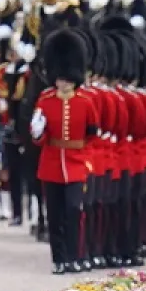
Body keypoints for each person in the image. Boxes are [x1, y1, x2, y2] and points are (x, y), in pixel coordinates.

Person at [31, 30, 98, 275]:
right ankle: (59, 258)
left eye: (67, 79)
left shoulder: (85, 102)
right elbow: (39, 139)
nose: (63, 83)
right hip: (51, 164)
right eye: (59, 78)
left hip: (77, 163)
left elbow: (92, 135)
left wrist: (88, 162)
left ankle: (75, 255)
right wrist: (37, 132)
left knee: (74, 211)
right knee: (55, 215)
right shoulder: (45, 99)